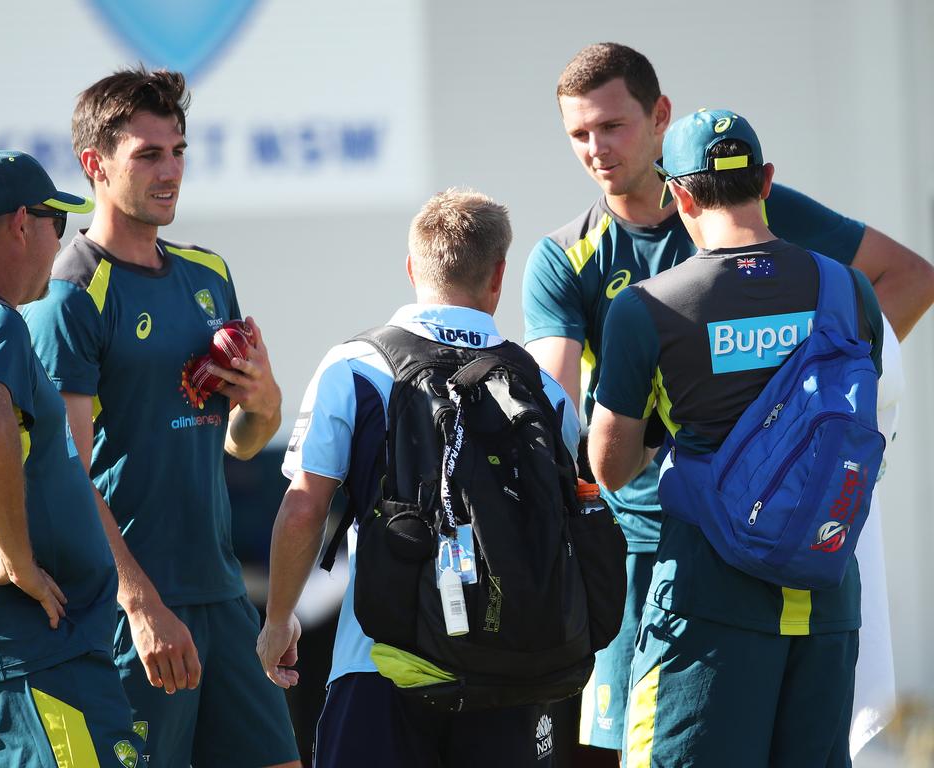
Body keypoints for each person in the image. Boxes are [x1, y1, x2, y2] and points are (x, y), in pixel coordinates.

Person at [521, 42, 934, 755]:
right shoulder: (568, 255)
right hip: (661, 547)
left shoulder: (695, 270)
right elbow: (557, 406)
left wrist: (784, 405)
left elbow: (912, 277)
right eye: (578, 134)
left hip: (711, 569)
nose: (596, 149)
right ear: (761, 175)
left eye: (612, 126)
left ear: (659, 120)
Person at [20, 70, 299, 768]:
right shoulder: (74, 292)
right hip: (130, 610)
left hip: (221, 595)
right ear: (96, 165)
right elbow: (64, 475)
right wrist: (140, 606)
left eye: (178, 151)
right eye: (148, 155)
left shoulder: (207, 273)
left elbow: (240, 444)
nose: (170, 170)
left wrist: (264, 404)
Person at [589, 108, 884, 766]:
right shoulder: (849, 289)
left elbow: (608, 465)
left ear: (681, 194)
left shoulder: (649, 307)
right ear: (768, 181)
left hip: (709, 600)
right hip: (826, 591)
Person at [258, 188, 582, 767]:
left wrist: (279, 620)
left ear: (411, 268)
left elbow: (305, 506)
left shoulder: (355, 366)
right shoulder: (545, 390)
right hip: (513, 669)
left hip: (378, 664)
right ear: (498, 275)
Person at [0, 150, 144, 767]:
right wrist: (17, 561)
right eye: (56, 227)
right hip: (22, 659)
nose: (59, 245)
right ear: (21, 224)